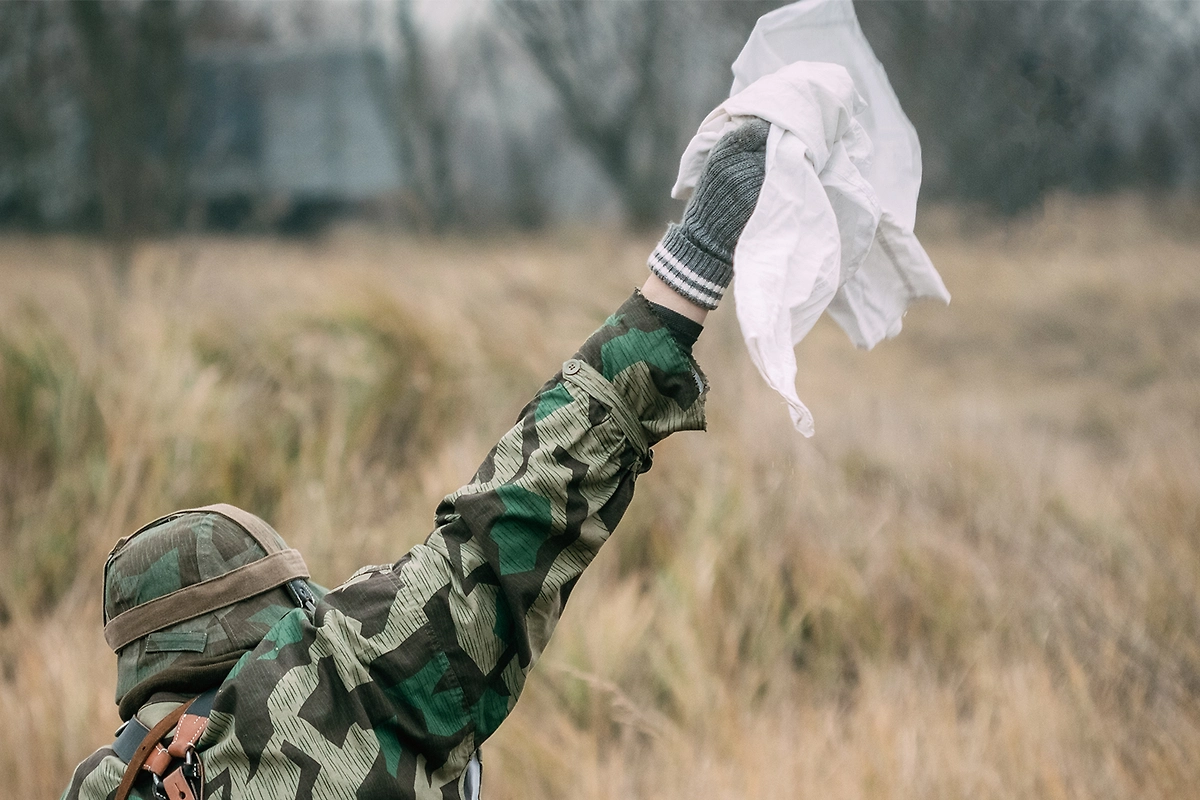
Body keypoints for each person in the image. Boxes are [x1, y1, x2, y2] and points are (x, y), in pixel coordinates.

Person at [60, 119, 769, 800]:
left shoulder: (102, 786)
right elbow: (512, 521)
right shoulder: (338, 698)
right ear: (273, 624)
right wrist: (694, 260)